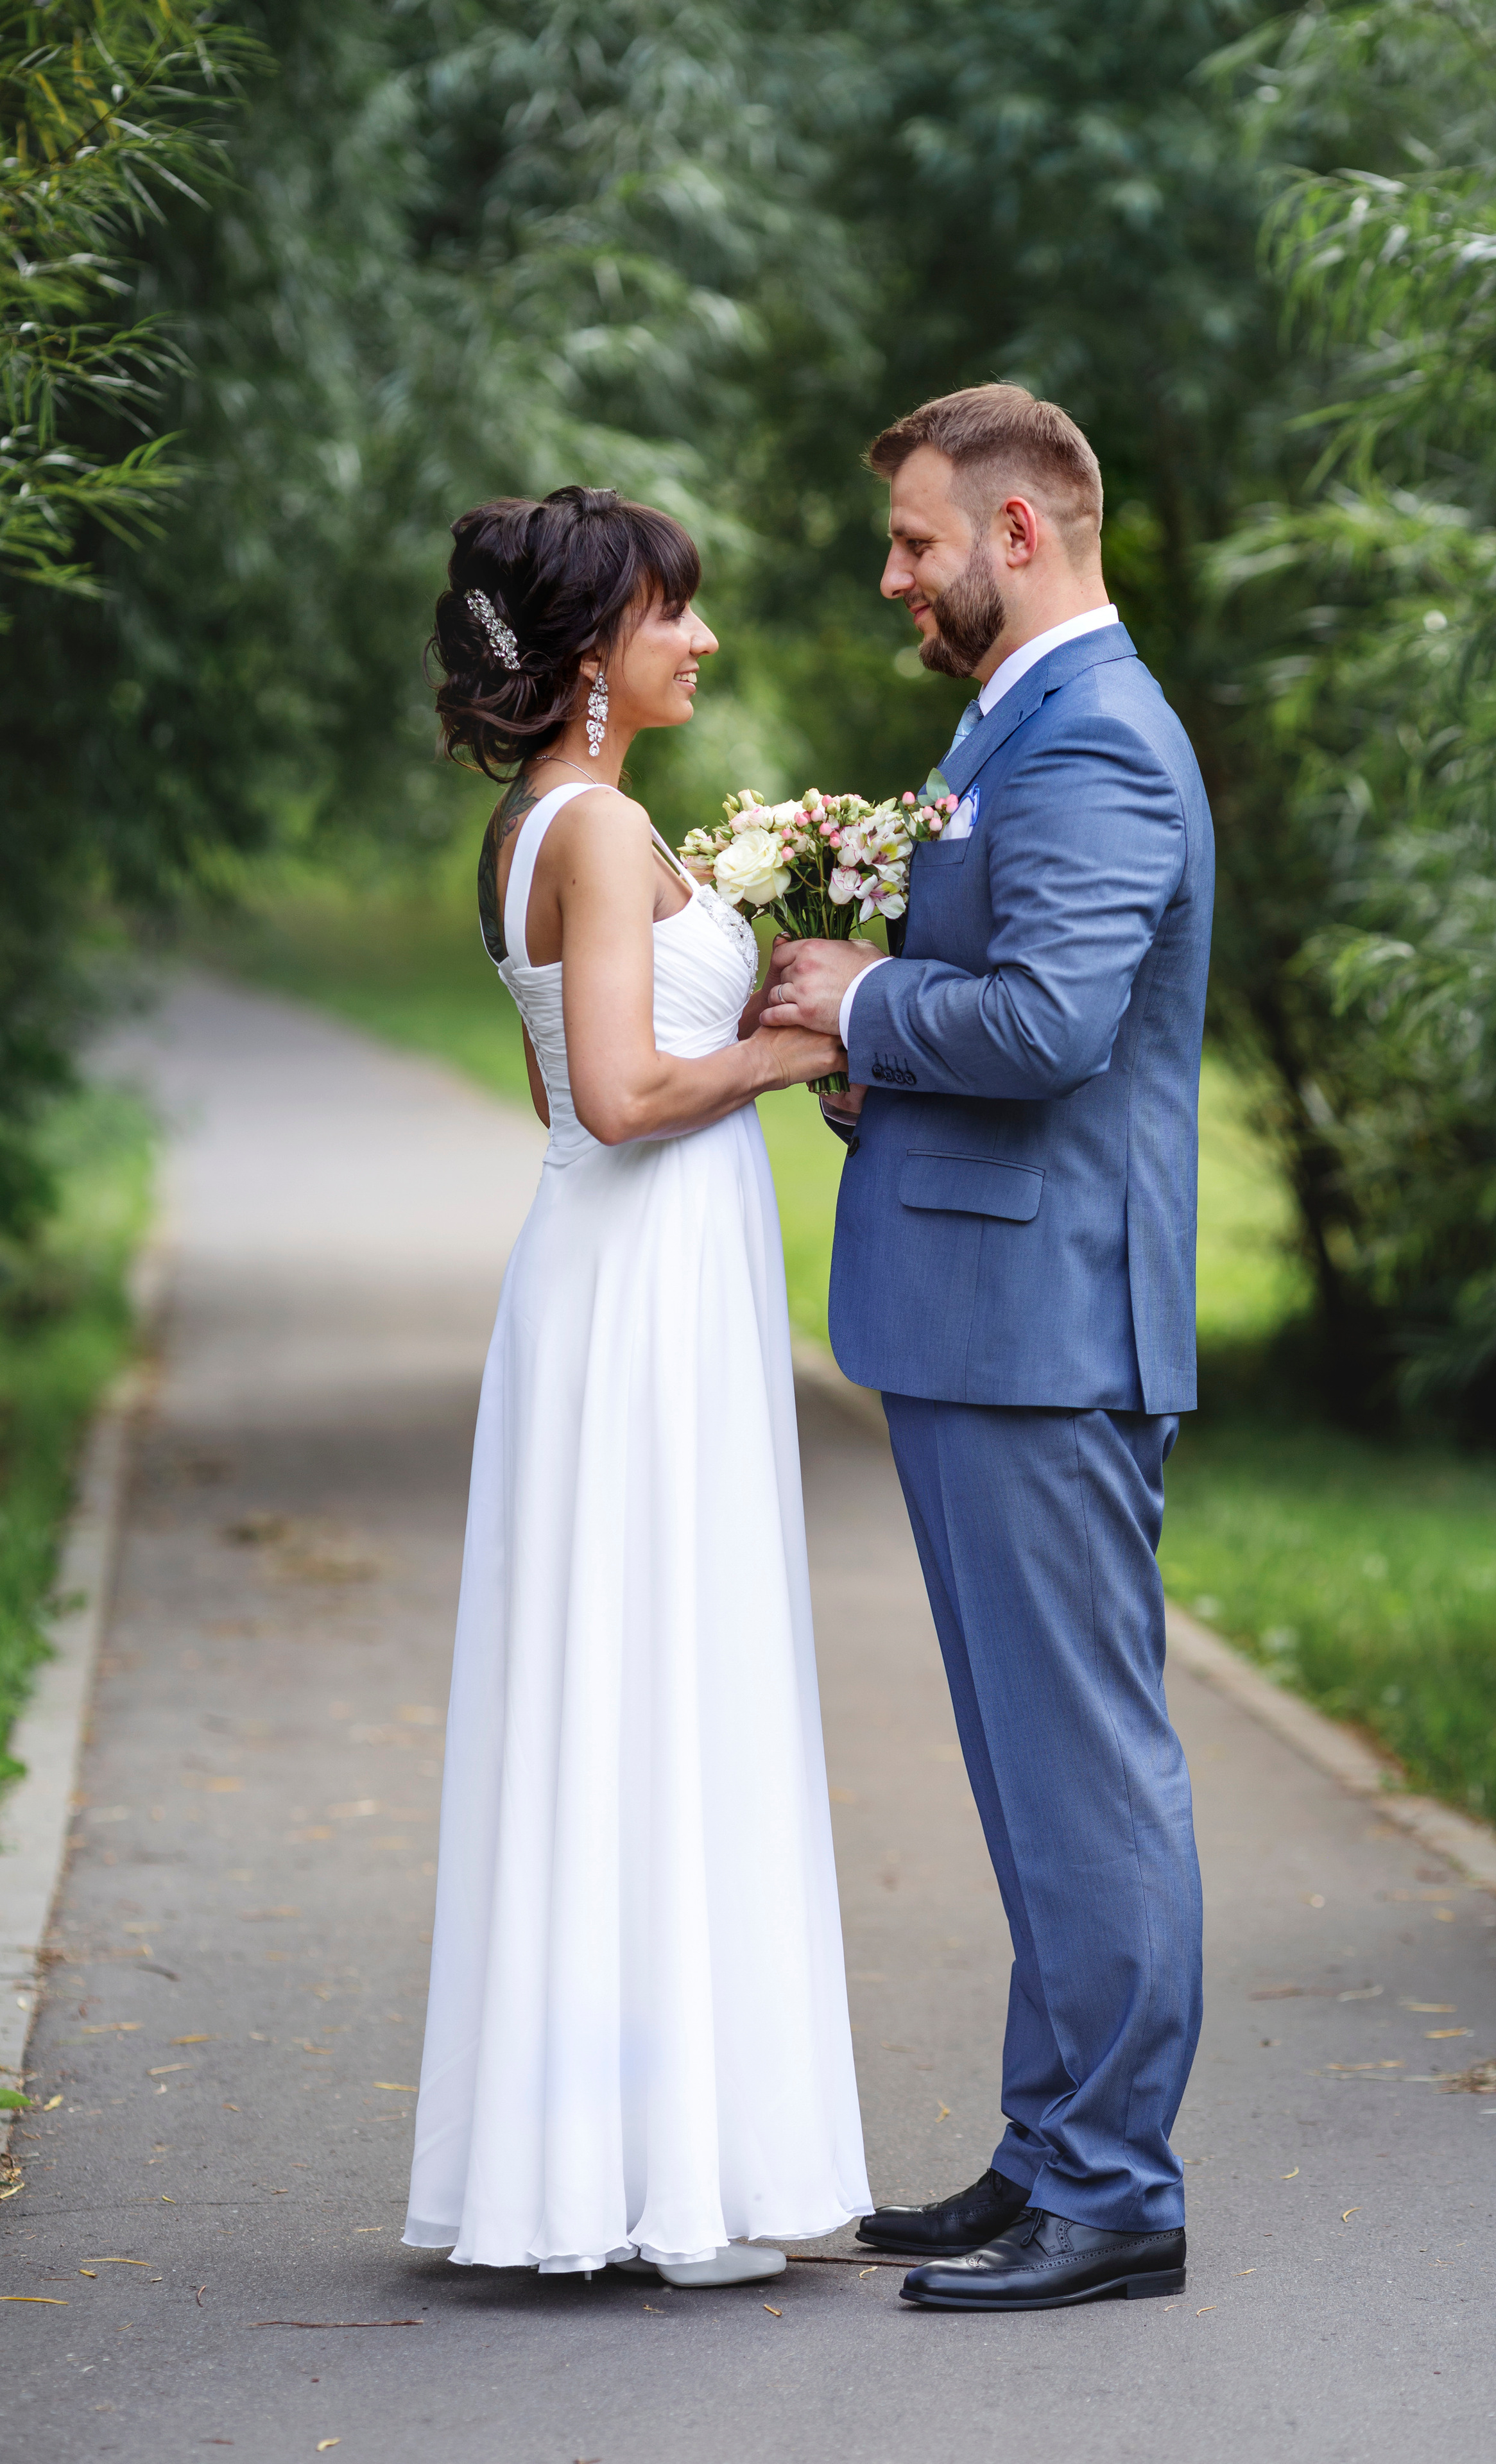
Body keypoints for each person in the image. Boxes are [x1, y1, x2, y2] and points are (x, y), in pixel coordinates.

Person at [764, 386, 1212, 2312]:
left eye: (918, 541)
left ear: (1019, 533)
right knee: (1032, 1773)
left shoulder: (1098, 737)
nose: (895, 575)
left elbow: (1044, 1027)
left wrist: (867, 1003)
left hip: (1047, 1332)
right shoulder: (1016, 714)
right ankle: (1049, 2154)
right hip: (984, 1313)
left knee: (1084, 1771)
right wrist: (887, 1070)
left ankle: (1117, 2188)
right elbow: (1007, 1028)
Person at [402, 486, 870, 2289]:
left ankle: (610, 2157)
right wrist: (793, 1040)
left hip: (615, 1271)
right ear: (597, 647)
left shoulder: (541, 824)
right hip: (639, 1280)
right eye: (679, 614)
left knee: (624, 1686)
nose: (704, 641)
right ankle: (653, 2167)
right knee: (657, 1676)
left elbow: (555, 1108)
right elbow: (610, 1094)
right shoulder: (594, 829)